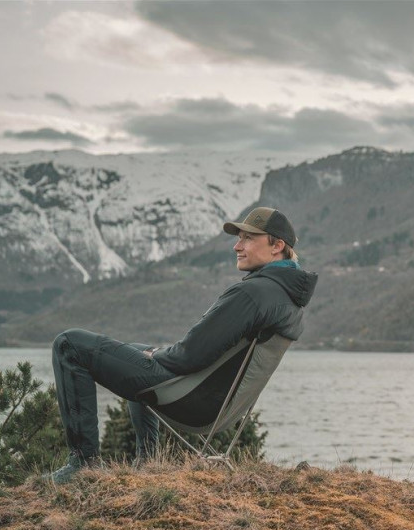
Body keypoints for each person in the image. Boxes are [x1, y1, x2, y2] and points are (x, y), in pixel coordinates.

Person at [46, 207, 317, 484]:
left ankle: (83, 464)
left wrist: (157, 355)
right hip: (220, 407)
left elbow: (189, 355)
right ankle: (148, 461)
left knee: (69, 344)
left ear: (277, 246)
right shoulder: (287, 299)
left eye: (248, 238)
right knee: (137, 349)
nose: (237, 246)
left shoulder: (254, 293)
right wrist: (155, 354)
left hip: (192, 401)